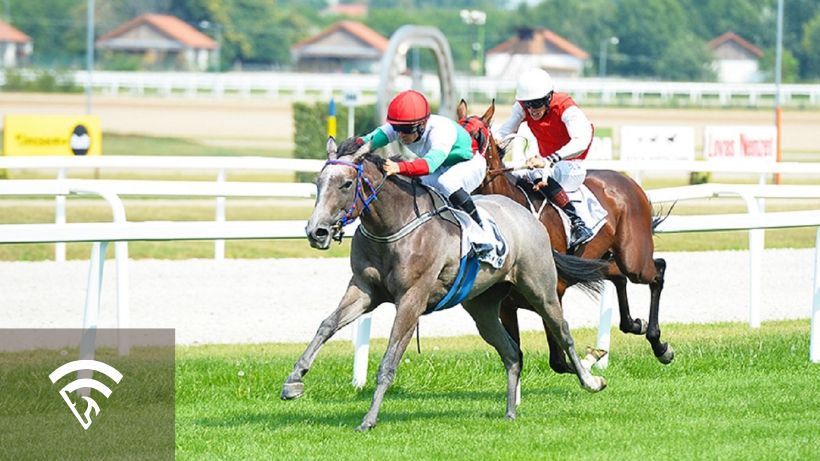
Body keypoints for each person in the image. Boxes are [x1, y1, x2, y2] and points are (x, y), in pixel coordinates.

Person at [356, 90, 490, 243]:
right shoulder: (403, 125)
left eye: (405, 130)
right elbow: (368, 140)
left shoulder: (440, 131)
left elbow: (429, 165)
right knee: (411, 186)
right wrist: (351, 147)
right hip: (441, 165)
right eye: (396, 128)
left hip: (468, 164)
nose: (400, 135)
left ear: (422, 125)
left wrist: (399, 167)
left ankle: (481, 229)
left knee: (447, 182)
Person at [495, 67, 595, 249]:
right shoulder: (523, 106)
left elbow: (582, 140)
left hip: (572, 166)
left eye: (537, 103)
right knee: (516, 174)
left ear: (549, 98)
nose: (532, 109)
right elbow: (505, 131)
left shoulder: (566, 108)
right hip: (549, 165)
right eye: (528, 104)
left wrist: (550, 159)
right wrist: (494, 143)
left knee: (535, 172)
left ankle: (578, 222)